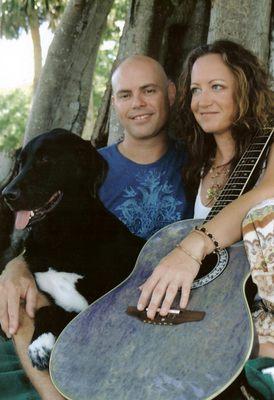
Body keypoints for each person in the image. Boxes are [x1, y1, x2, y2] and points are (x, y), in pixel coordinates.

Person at [0, 55, 191, 399]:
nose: (138, 104)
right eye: (125, 94)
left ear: (172, 93)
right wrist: (15, 267)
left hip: (151, 311)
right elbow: (46, 243)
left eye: (149, 90)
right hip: (82, 308)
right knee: (18, 299)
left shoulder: (198, 166)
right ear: (114, 102)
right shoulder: (82, 168)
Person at [137, 40, 274, 362]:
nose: (203, 101)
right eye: (196, 90)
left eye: (217, 86)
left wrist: (191, 248)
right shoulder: (192, 164)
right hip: (210, 303)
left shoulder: (270, 143)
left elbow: (268, 192)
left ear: (245, 90)